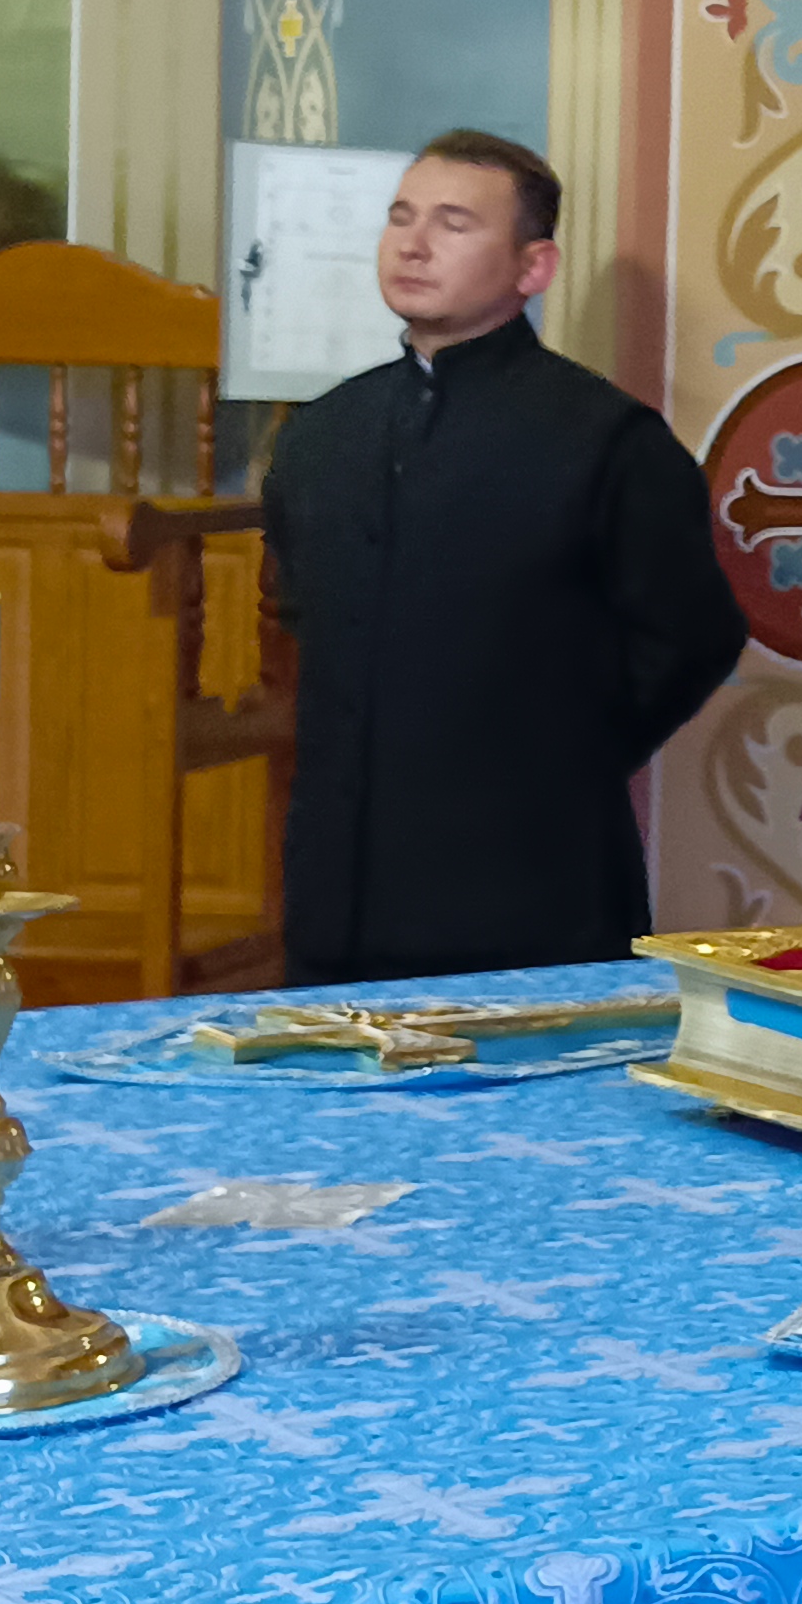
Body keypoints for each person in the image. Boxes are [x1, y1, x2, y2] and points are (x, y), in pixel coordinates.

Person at [264, 130, 747, 985]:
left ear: (535, 268)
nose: (413, 245)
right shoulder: (322, 434)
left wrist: (561, 751)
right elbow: (308, 617)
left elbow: (690, 636)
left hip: (533, 891)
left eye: (453, 224)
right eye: (401, 217)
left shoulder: (606, 440)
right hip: (337, 905)